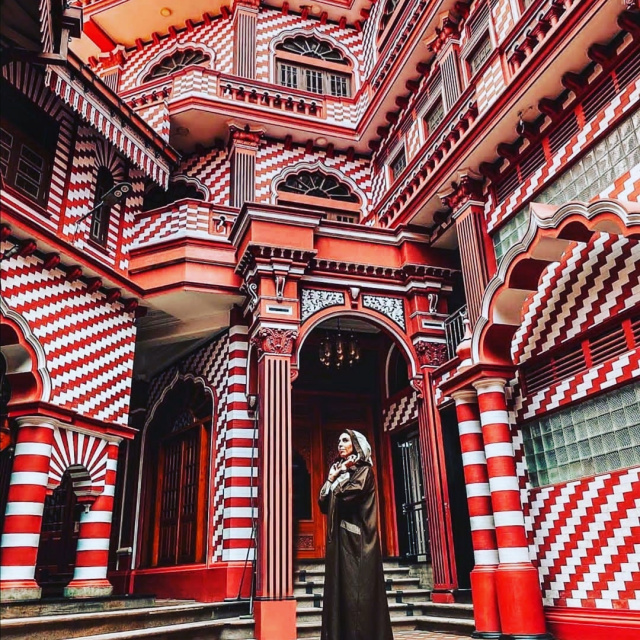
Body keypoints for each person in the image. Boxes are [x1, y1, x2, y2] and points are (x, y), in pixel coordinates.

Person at [318, 429, 393, 640]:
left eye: (345, 440)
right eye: (338, 441)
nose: (340, 444)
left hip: (357, 544)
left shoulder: (364, 472)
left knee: (356, 597)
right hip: (339, 542)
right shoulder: (340, 471)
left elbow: (348, 495)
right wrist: (331, 478)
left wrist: (340, 476)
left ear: (357, 445)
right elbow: (323, 504)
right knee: (338, 594)